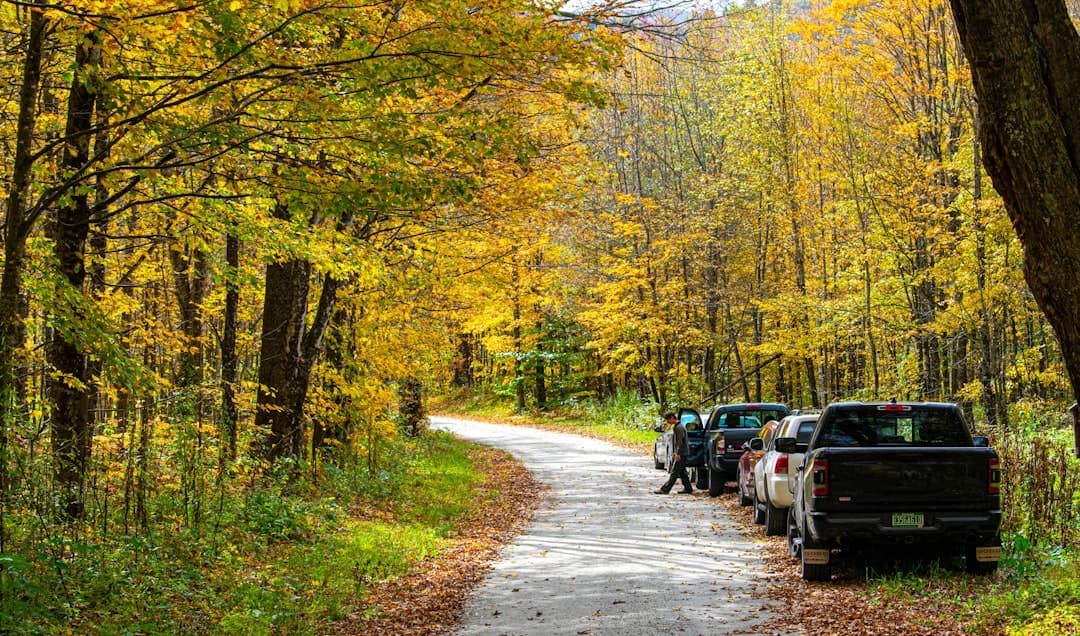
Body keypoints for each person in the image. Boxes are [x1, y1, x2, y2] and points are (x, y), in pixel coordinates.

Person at [655, 411, 692, 494]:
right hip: (682, 453)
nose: (667, 422)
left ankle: (665, 489)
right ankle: (688, 488)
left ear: (672, 417)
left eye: (668, 419)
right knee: (682, 472)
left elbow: (680, 442)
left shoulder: (679, 428)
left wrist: (677, 453)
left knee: (674, 472)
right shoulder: (678, 427)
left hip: (681, 453)